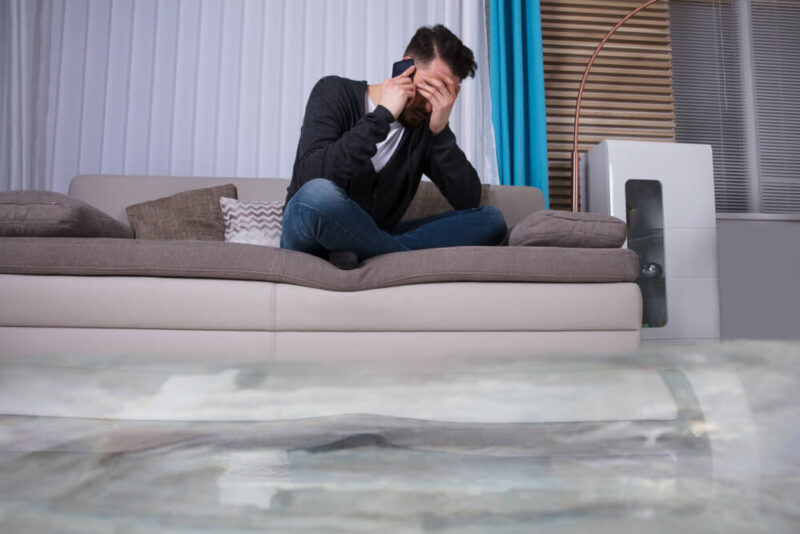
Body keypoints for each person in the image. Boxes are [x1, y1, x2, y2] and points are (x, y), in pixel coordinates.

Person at [281, 24, 507, 268]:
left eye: (441, 96)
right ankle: (390, 254)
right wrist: (383, 115)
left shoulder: (426, 129)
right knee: (317, 196)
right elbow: (311, 176)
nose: (429, 106)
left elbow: (468, 200)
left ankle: (368, 251)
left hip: (374, 234)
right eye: (428, 89)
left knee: (490, 220)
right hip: (309, 232)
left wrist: (440, 132)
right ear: (404, 68)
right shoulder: (333, 91)